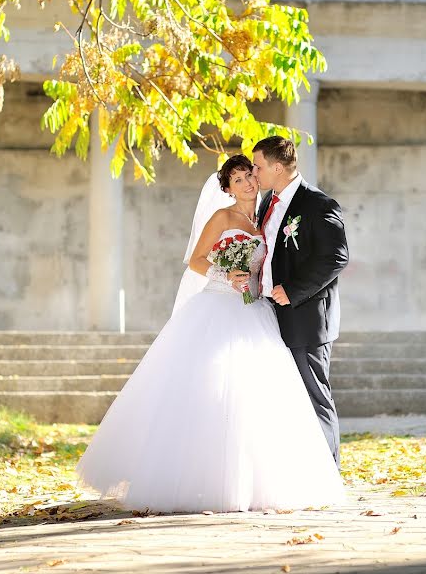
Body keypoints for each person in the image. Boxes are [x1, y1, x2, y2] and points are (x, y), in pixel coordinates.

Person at [75, 155, 346, 513]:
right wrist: (225, 270)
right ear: (227, 189)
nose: (248, 183)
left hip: (258, 312)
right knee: (212, 391)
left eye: (250, 175)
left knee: (258, 397)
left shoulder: (267, 215)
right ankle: (202, 480)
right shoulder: (223, 217)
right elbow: (197, 259)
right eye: (237, 181)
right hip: (219, 307)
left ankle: (263, 482)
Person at [252, 136, 349, 466]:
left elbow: (336, 257)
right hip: (269, 316)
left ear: (277, 168)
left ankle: (328, 472)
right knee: (282, 399)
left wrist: (293, 290)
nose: (254, 172)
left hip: (305, 317)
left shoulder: (318, 204)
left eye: (259, 166)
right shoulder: (267, 202)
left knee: (313, 396)